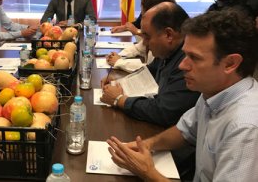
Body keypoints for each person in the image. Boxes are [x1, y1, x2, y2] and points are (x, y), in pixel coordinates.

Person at [107, 9, 258, 181]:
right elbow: (184, 131)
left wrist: (148, 172)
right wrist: (148, 145)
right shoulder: (214, 92)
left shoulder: (245, 129)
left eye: (194, 58)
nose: (182, 65)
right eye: (185, 55)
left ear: (230, 64)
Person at [101, 2, 199, 127]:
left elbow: (165, 111)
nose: (145, 43)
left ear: (168, 35)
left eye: (147, 37)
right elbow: (148, 73)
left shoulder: (187, 62)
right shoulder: (168, 52)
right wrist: (119, 81)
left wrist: (119, 100)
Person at [106, 0, 175, 65]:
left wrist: (119, 62)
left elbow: (149, 71)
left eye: (143, 12)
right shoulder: (154, 32)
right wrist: (118, 56)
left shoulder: (162, 38)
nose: (145, 41)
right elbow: (138, 48)